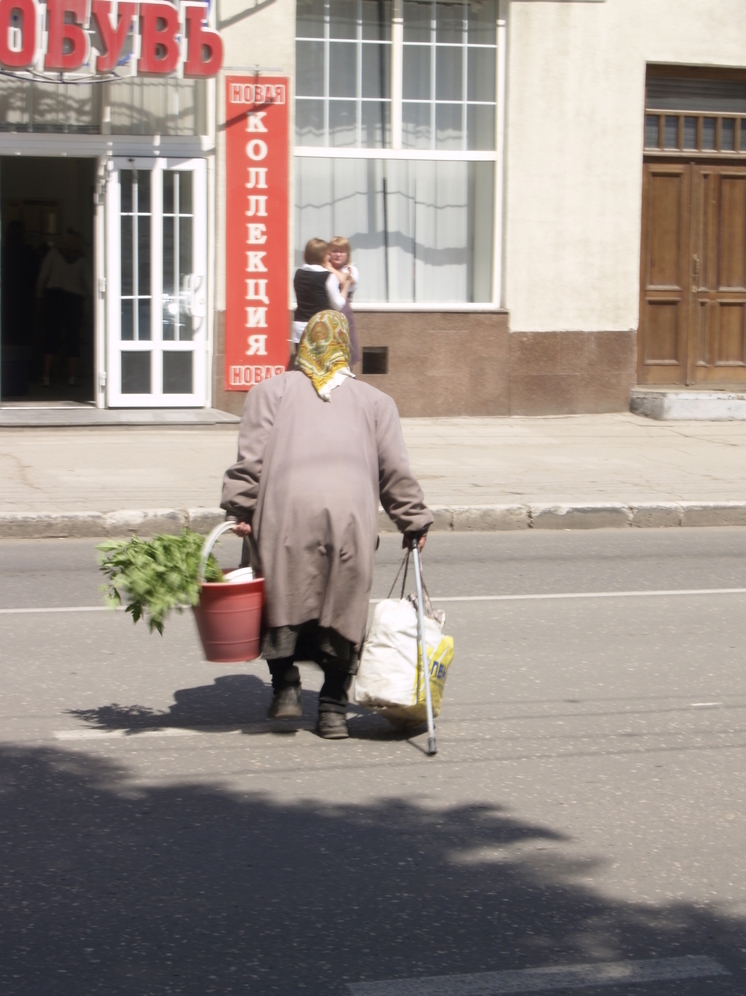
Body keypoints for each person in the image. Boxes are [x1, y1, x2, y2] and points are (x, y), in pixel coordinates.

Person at [221, 310, 433, 739]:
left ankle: (285, 689)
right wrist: (412, 519)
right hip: (348, 524)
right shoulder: (377, 402)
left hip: (282, 520)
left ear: (302, 347)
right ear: (345, 349)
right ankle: (333, 710)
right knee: (342, 608)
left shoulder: (268, 392)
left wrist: (240, 509)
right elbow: (394, 470)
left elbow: (251, 460)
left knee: (279, 600)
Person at [36, 231, 91, 387]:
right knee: (73, 337)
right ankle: (72, 377)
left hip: (54, 297)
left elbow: (43, 276)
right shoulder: (82, 260)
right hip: (74, 300)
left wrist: (39, 296)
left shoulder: (54, 253)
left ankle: (46, 376)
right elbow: (89, 285)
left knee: (51, 335)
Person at [291, 238, 351, 354]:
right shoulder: (328, 276)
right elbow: (338, 305)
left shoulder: (298, 274)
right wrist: (346, 286)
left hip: (299, 327)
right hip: (320, 328)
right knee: (320, 367)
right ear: (324, 256)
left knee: (304, 366)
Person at [328, 236, 361, 367]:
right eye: (334, 251)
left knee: (345, 357)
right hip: (326, 316)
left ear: (347, 254)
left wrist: (327, 266)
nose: (338, 254)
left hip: (343, 316)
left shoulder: (351, 270)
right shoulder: (323, 269)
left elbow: (346, 281)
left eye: (341, 251)